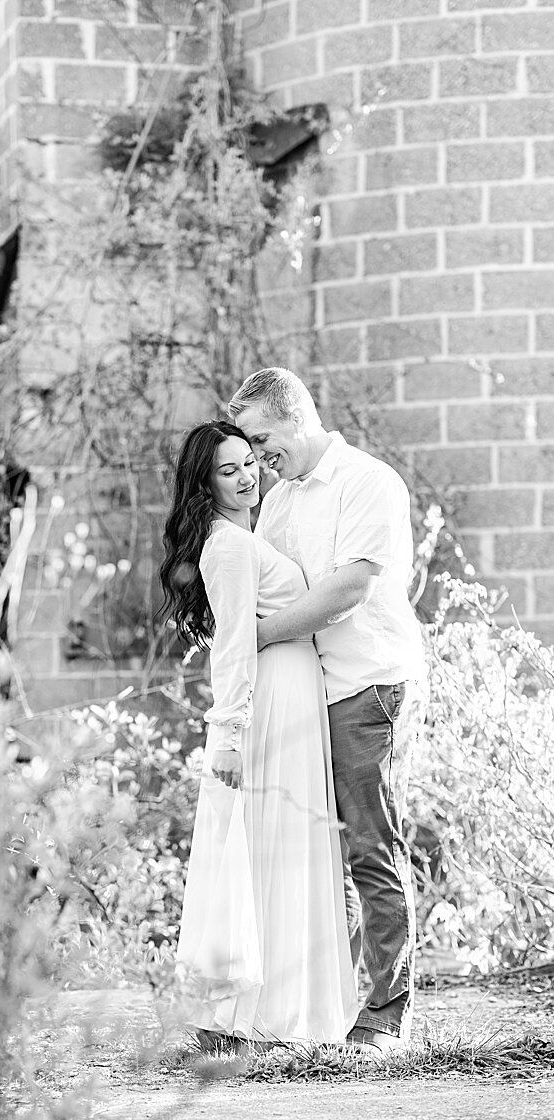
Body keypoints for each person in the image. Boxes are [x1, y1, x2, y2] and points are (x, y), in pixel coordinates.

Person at [228, 367, 427, 1052]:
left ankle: (386, 1016)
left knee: (373, 848)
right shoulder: (279, 503)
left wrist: (255, 635)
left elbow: (349, 589)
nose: (257, 458)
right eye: (249, 447)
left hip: (368, 689)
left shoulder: (368, 482)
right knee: (317, 855)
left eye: (262, 439)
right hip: (308, 699)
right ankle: (327, 1005)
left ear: (297, 417)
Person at [161, 420, 354, 1046]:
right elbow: (235, 648)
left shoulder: (244, 535)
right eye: (229, 470)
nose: (247, 477)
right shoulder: (230, 546)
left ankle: (275, 1011)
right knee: (264, 849)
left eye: (250, 463)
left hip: (292, 696)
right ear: (204, 482)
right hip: (267, 703)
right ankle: (253, 1016)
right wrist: (230, 735)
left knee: (279, 847)